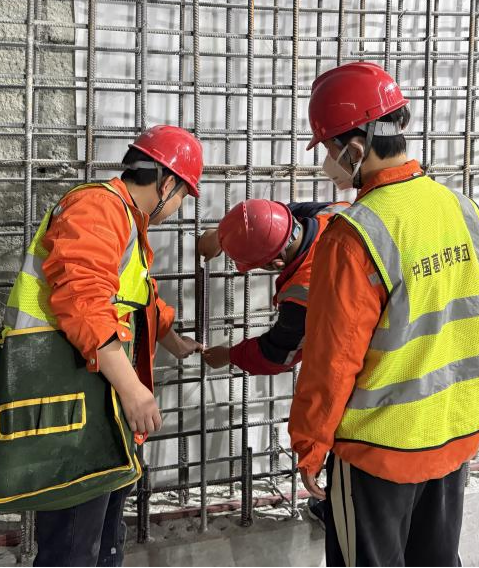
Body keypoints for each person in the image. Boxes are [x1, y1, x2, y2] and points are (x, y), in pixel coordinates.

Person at [289, 62, 479, 567]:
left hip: (379, 449)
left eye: (329, 150)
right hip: (452, 433)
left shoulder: (355, 234)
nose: (328, 164)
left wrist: (310, 443)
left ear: (355, 148)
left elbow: (332, 359)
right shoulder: (460, 207)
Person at [28, 125, 205, 566]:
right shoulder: (98, 207)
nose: (179, 208)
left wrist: (172, 339)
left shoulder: (126, 219)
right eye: (183, 196)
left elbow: (138, 296)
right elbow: (84, 302)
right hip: (74, 407)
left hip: (99, 405)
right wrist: (133, 389)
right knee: (73, 547)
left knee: (104, 539)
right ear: (167, 183)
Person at [197, 199, 348, 374]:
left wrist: (228, 356)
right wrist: (221, 237)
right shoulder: (337, 213)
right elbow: (268, 218)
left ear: (276, 263)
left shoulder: (302, 296)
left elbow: (275, 356)